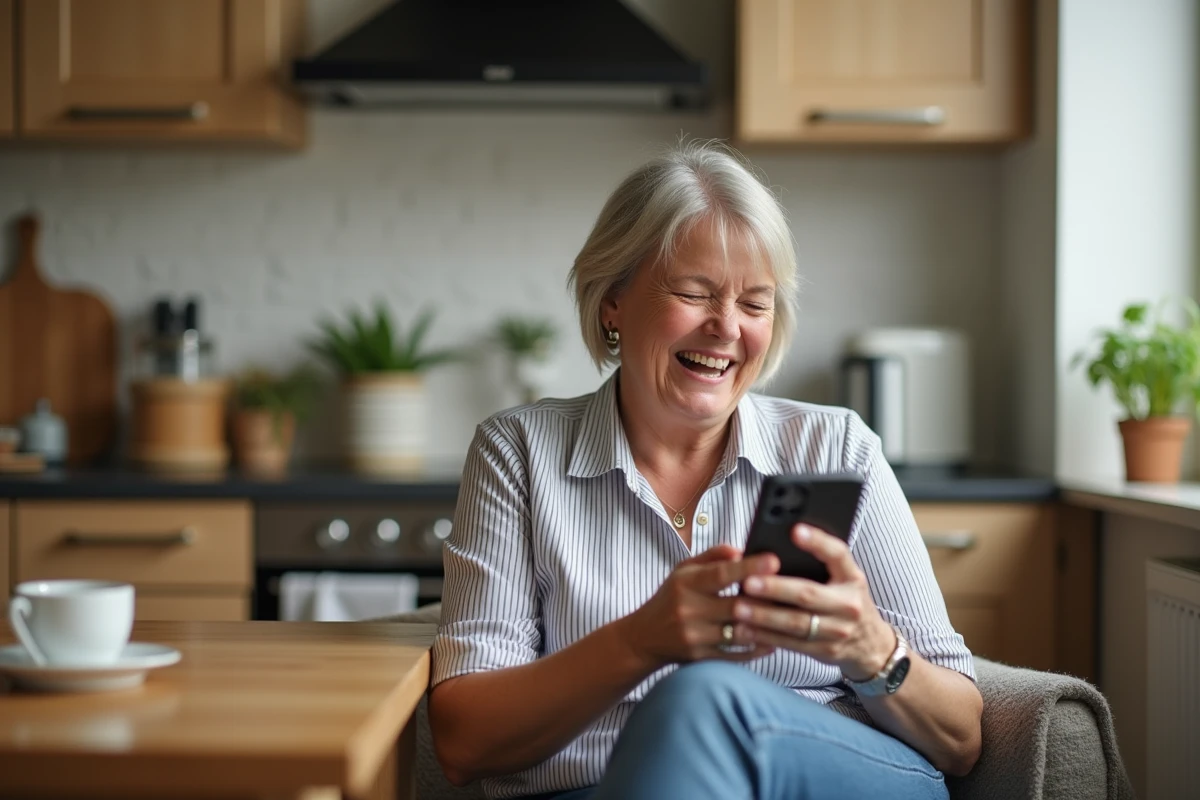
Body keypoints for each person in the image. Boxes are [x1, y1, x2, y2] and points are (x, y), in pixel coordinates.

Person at [428, 140, 982, 800]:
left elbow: (962, 738)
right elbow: (463, 744)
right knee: (696, 701)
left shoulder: (837, 448)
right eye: (694, 293)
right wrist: (641, 642)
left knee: (704, 700)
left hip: (821, 780)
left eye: (755, 303)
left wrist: (870, 649)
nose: (726, 328)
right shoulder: (517, 453)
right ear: (612, 301)